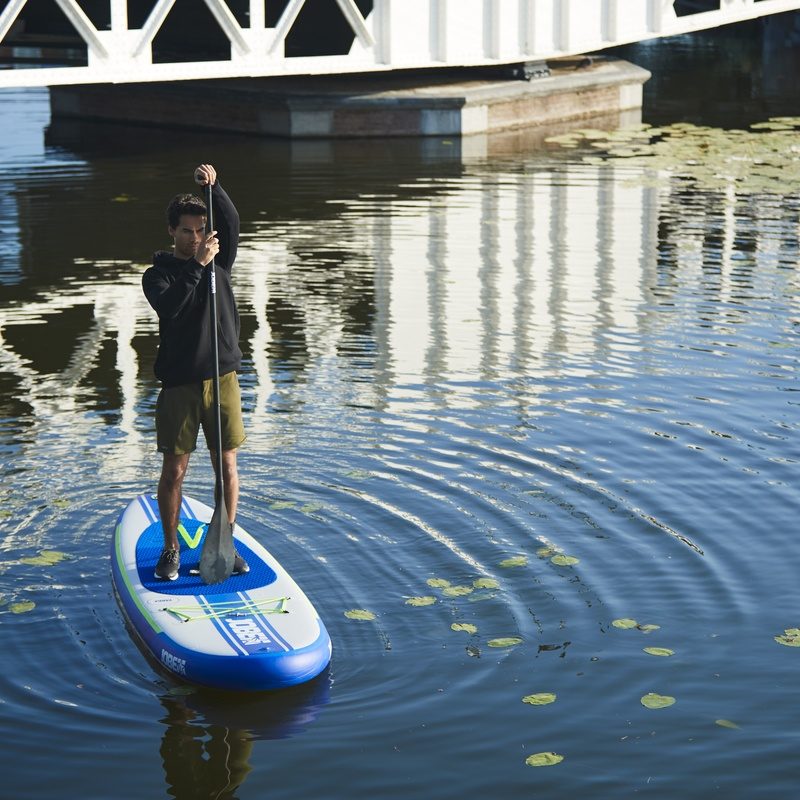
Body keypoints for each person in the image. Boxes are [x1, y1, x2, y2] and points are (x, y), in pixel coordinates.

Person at [142, 163, 248, 580]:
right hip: (180, 386)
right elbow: (171, 308)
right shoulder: (158, 276)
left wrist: (216, 187)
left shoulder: (222, 263)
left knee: (227, 466)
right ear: (172, 231)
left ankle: (224, 540)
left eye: (201, 230)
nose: (196, 237)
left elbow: (232, 222)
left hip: (223, 380)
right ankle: (170, 549)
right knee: (175, 470)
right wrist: (198, 267)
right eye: (187, 230)